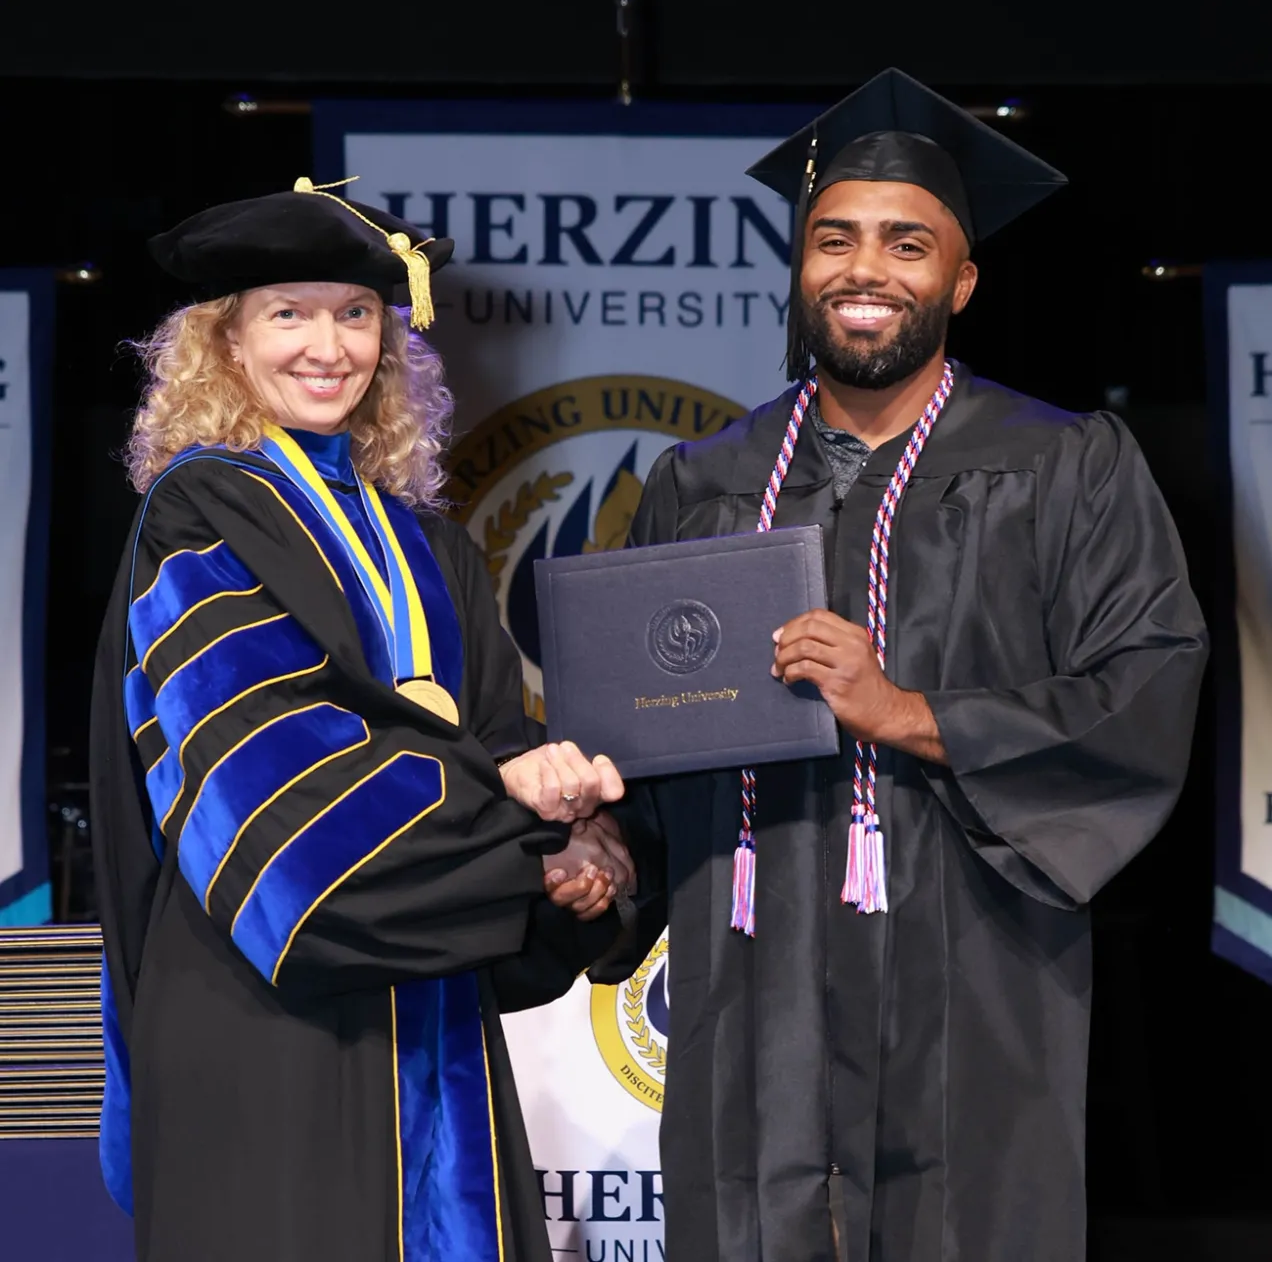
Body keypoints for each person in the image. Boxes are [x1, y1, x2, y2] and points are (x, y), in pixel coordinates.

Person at [611, 69, 1208, 1261]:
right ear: (800, 267)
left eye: (906, 243)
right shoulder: (701, 482)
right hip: (749, 972)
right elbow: (643, 735)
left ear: (961, 280)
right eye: (834, 240)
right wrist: (601, 845)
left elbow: (1144, 684)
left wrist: (911, 713)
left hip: (974, 974)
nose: (864, 270)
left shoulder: (1065, 468)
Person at [88, 178, 636, 1262]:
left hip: (425, 1013)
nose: (326, 346)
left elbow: (494, 736)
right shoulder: (201, 512)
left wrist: (578, 849)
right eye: (286, 313)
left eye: (354, 313)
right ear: (225, 342)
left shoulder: (430, 547)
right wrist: (507, 815)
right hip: (264, 1008)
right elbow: (262, 765)